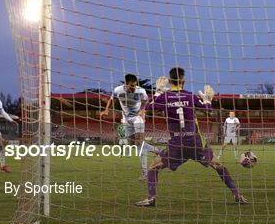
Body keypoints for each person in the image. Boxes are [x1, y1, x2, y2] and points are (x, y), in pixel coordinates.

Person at [135, 67, 247, 207]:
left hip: (177, 144)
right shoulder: (190, 96)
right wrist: (207, 100)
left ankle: (151, 198)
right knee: (218, 165)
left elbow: (148, 109)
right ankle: (237, 195)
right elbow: (209, 111)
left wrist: (158, 91)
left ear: (170, 81)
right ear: (183, 80)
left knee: (153, 167)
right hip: (195, 142)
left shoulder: (164, 97)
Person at [100, 73, 160, 181]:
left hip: (138, 117)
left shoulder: (140, 91)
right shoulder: (118, 90)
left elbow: (146, 100)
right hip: (126, 119)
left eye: (135, 85)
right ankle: (158, 151)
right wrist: (106, 110)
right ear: (126, 84)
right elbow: (111, 99)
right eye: (131, 86)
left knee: (139, 145)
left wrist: (142, 110)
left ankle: (144, 173)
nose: (134, 88)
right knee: (133, 144)